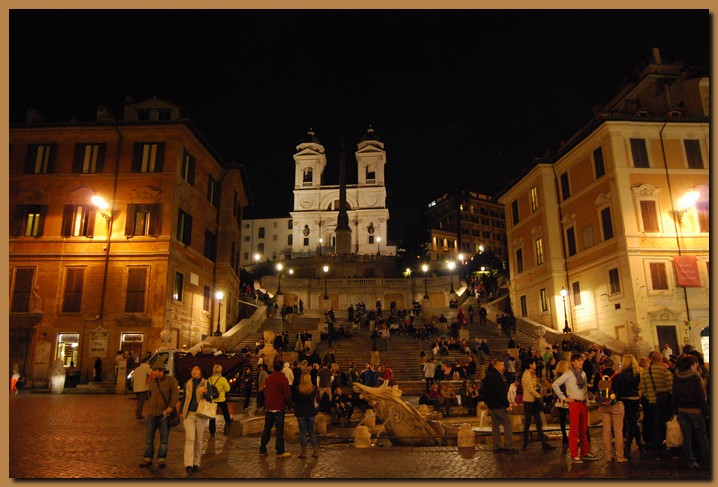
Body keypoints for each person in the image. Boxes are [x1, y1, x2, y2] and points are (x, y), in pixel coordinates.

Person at [552, 353, 597, 463]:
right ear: (572, 362)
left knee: (584, 429)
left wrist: (586, 401)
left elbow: (584, 389)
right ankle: (574, 454)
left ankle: (585, 452)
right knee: (574, 429)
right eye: (578, 361)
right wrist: (564, 398)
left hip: (582, 403)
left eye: (581, 360)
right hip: (574, 403)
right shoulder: (568, 374)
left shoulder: (583, 374)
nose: (581, 362)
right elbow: (555, 384)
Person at [139, 357, 179, 469]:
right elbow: (150, 395)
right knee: (149, 438)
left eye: (155, 370)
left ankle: (161, 459)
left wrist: (171, 407)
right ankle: (147, 458)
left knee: (164, 438)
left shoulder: (171, 381)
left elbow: (175, 395)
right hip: (152, 413)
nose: (153, 372)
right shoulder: (152, 382)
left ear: (161, 371)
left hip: (165, 414)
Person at [672, 355, 709, 470]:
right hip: (695, 410)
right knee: (702, 436)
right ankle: (707, 460)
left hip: (682, 410)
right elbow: (700, 397)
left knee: (686, 437)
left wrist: (675, 411)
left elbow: (674, 395)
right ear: (691, 365)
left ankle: (689, 460)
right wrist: (706, 411)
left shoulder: (677, 377)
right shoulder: (695, 378)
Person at [179, 365, 213, 473]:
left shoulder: (206, 383)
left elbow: (210, 398)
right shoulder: (187, 383)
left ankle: (196, 462)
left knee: (198, 439)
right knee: (190, 439)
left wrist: (205, 393)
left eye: (197, 370)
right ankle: (188, 464)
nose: (194, 371)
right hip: (189, 414)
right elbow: (184, 398)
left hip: (201, 415)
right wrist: (181, 412)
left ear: (201, 372)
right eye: (193, 369)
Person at [640, 351, 673, 458]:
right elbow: (670, 387)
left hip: (653, 403)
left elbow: (643, 389)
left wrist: (650, 397)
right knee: (668, 425)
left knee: (656, 425)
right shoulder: (664, 371)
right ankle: (670, 446)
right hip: (665, 402)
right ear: (661, 359)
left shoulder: (645, 373)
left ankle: (657, 450)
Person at [482, 358, 518, 453]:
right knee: (507, 424)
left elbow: (483, 391)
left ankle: (496, 446)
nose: (503, 367)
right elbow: (500, 392)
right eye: (502, 365)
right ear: (497, 366)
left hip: (491, 405)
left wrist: (487, 402)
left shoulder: (488, 376)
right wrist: (507, 405)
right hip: (499, 405)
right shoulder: (497, 377)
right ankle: (508, 446)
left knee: (495, 426)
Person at [259, 360, 293, 458]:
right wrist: (289, 405)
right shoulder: (283, 379)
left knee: (267, 429)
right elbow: (287, 394)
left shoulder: (269, 378)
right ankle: (280, 451)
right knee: (279, 430)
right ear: (282, 367)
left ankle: (262, 448)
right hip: (279, 407)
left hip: (269, 407)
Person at [612, 354, 643, 459]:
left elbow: (618, 388)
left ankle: (631, 446)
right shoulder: (637, 373)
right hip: (634, 398)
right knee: (632, 421)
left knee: (631, 422)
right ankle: (637, 444)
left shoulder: (621, 374)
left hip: (625, 399)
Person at [521, 358, 555, 451]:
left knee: (538, 422)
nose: (535, 365)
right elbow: (530, 388)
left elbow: (535, 386)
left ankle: (544, 443)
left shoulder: (533, 374)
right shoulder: (526, 374)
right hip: (528, 401)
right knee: (527, 422)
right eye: (534, 363)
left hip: (534, 400)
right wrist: (539, 396)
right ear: (530, 365)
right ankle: (525, 443)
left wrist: (539, 386)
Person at [596, 359, 625, 462]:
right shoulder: (617, 375)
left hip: (603, 406)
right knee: (618, 432)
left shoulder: (598, 375)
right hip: (616, 404)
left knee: (606, 431)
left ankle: (608, 456)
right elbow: (622, 389)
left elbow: (594, 389)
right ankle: (619, 456)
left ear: (603, 365)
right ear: (613, 365)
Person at [294, 372, 320, 458]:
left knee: (303, 433)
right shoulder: (313, 389)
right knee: (312, 432)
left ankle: (304, 452)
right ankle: (315, 450)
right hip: (311, 412)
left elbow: (295, 401)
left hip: (301, 412)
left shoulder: (298, 390)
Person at [208, 364, 233, 436]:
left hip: (212, 400)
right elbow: (228, 389)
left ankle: (212, 432)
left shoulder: (210, 379)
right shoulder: (223, 379)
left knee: (212, 417)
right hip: (221, 399)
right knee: (225, 411)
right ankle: (228, 421)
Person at [552, 360, 570, 446]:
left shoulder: (556, 377)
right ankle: (569, 437)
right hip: (566, 400)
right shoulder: (565, 378)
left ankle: (564, 437)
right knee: (571, 420)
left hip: (559, 402)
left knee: (562, 421)